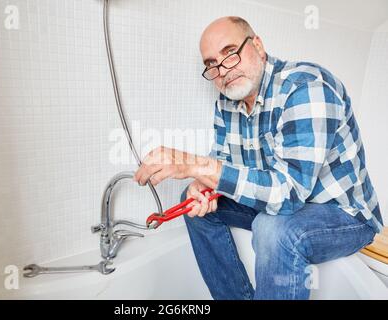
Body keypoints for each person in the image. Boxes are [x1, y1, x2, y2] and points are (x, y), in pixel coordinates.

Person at [133, 16, 384, 300]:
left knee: (272, 229)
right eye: (211, 64)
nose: (223, 70)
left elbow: (289, 194)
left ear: (258, 46)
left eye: (230, 52)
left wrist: (195, 165)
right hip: (280, 202)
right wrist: (203, 185)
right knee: (191, 204)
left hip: (344, 214)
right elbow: (223, 160)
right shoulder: (227, 103)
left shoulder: (306, 87)